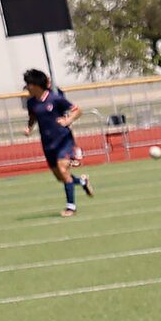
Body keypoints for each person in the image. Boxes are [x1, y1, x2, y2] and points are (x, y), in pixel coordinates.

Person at [22, 72, 94, 215]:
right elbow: (33, 117)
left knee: (63, 170)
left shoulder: (55, 99)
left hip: (63, 141)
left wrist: (68, 120)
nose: (26, 88)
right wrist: (29, 128)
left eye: (28, 84)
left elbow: (78, 110)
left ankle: (71, 207)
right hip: (48, 144)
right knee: (60, 177)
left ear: (36, 85)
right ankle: (82, 182)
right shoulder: (31, 103)